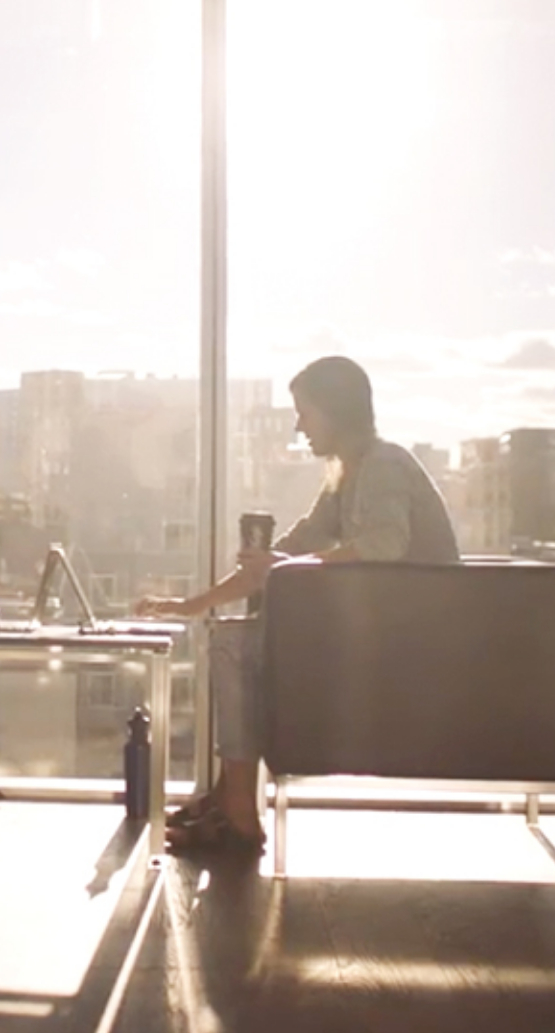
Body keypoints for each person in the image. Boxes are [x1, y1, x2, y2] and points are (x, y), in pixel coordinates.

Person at [135, 356, 459, 855]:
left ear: (335, 411)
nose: (298, 425)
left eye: (304, 412)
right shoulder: (346, 478)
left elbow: (385, 543)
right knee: (232, 636)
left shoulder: (385, 465)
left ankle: (238, 808)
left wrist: (287, 564)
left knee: (236, 644)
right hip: (386, 629)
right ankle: (232, 795)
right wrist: (190, 604)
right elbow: (279, 560)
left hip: (414, 638)